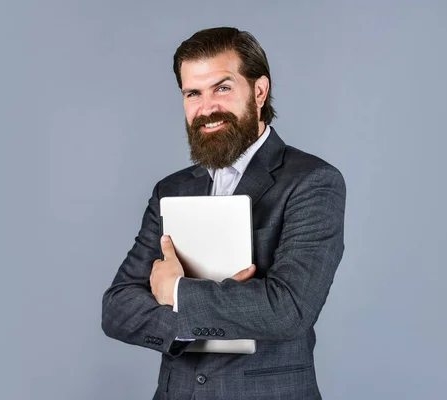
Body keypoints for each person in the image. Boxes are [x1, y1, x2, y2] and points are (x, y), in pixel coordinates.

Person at [101, 27, 346, 400]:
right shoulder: (171, 190)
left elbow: (288, 310)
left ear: (259, 91)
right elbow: (117, 309)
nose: (207, 107)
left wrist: (176, 291)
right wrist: (192, 319)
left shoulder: (314, 181)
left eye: (223, 88)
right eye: (193, 93)